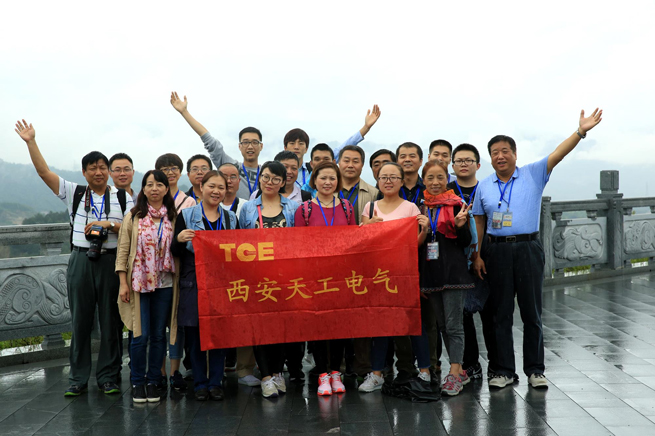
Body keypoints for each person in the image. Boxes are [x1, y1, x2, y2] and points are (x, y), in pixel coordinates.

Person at [472, 108, 603, 389]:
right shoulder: (483, 186)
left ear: (515, 155)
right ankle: (505, 371)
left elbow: (558, 153)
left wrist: (581, 132)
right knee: (501, 313)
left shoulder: (532, 174)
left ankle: (535, 370)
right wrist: (478, 254)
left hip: (528, 248)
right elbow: (479, 222)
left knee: (532, 312)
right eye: (495, 152)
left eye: (505, 150)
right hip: (495, 251)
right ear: (490, 157)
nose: (500, 156)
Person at [15, 120, 133, 396]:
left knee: (111, 321)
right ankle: (77, 378)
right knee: (79, 320)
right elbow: (44, 173)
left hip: (112, 262)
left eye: (103, 167)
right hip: (81, 259)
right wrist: (31, 141)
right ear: (84, 172)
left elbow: (131, 230)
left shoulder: (125, 198)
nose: (98, 171)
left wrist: (110, 226)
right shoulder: (76, 193)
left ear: (109, 171)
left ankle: (109, 376)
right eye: (92, 168)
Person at [357, 162, 430, 392]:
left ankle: (426, 370)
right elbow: (362, 245)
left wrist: (425, 231)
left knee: (414, 322)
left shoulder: (410, 208)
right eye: (383, 177)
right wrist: (365, 227)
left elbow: (414, 245)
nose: (388, 181)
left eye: (393, 177)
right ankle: (377, 373)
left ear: (401, 180)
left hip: (403, 273)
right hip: (378, 275)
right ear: (377, 181)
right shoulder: (369, 208)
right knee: (380, 324)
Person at [172, 170, 238, 401]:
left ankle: (215, 382)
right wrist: (179, 240)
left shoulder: (231, 219)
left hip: (221, 283)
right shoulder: (187, 215)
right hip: (194, 280)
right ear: (201, 186)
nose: (216, 191)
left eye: (221, 187)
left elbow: (238, 253)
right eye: (212, 186)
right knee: (195, 335)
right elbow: (175, 251)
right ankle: (200, 383)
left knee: (219, 333)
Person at [294, 161, 356, 395]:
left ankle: (335, 373)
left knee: (339, 326)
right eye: (323, 178)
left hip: (341, 275)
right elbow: (299, 244)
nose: (328, 182)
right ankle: (322, 374)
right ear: (314, 181)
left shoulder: (348, 208)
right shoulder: (305, 209)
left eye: (332, 178)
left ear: (338, 181)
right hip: (315, 276)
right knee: (318, 325)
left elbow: (353, 241)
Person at [116, 170, 178, 403]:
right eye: (149, 184)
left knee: (159, 335)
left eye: (159, 184)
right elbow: (123, 252)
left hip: (165, 284)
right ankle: (137, 381)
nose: (154, 188)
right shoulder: (133, 217)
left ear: (166, 188)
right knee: (139, 335)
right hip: (138, 284)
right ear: (143, 189)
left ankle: (154, 380)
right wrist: (123, 283)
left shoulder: (172, 216)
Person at [239, 161, 300, 398]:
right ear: (260, 178)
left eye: (276, 179)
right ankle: (264, 376)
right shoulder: (248, 208)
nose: (270, 182)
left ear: (284, 181)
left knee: (282, 327)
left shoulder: (294, 207)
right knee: (260, 327)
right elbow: (240, 241)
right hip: (257, 277)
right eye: (266, 177)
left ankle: (276, 373)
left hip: (286, 276)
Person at [417, 161, 474, 396]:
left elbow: (466, 241)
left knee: (454, 326)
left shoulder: (457, 204)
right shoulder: (419, 208)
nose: (435, 182)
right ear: (424, 180)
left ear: (446, 178)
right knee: (442, 326)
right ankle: (459, 371)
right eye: (430, 177)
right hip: (431, 273)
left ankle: (453, 374)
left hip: (453, 272)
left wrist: (460, 226)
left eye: (440, 177)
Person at [446, 143, 493, 381]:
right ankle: (470, 363)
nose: (464, 164)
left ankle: (497, 366)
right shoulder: (446, 191)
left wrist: (479, 256)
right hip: (456, 260)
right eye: (459, 160)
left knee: (490, 312)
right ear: (452, 166)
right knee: (462, 315)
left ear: (478, 164)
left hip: (486, 257)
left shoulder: (487, 189)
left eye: (468, 160)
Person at [154, 153, 196, 390]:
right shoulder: (149, 199)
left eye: (174, 168)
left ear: (180, 172)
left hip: (179, 268)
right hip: (154, 270)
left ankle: (174, 371)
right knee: (158, 323)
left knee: (177, 323)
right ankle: (158, 371)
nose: (170, 173)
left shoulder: (189, 202)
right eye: (165, 169)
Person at [170, 92, 262, 200]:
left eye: (255, 142)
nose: (250, 147)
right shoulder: (230, 167)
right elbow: (209, 141)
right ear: (239, 146)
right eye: (245, 142)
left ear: (261, 146)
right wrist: (184, 112)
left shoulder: (267, 172)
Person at [284, 104, 382, 186]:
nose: (296, 147)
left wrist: (366, 127)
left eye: (301, 143)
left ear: (306, 149)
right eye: (292, 143)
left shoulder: (314, 165)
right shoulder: (278, 169)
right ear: (285, 147)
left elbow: (346, 145)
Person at [338, 145, 379, 219]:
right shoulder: (328, 191)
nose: (350, 165)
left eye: (355, 162)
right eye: (346, 161)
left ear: (362, 165)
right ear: (339, 163)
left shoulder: (374, 193)